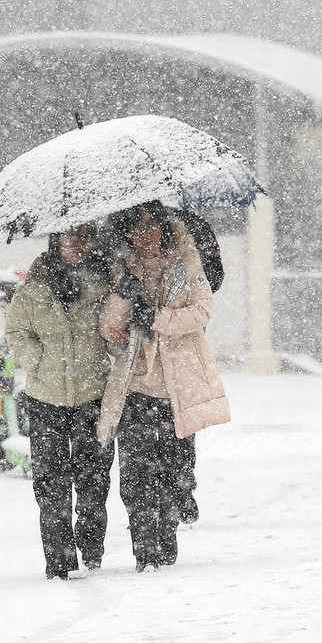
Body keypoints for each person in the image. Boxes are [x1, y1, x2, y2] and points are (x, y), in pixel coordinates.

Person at [98, 202, 229, 571]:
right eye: (137, 230)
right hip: (137, 385)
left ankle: (167, 532)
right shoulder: (123, 271)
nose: (145, 237)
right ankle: (145, 549)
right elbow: (109, 328)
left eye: (151, 228)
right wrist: (123, 298)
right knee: (136, 474)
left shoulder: (186, 265)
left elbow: (202, 311)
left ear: (164, 229)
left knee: (175, 468)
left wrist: (157, 318)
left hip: (178, 384)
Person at [4, 221, 116, 579]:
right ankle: (59, 560)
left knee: (93, 479)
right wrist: (38, 362)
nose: (78, 244)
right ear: (56, 239)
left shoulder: (105, 284)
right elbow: (17, 333)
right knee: (51, 483)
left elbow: (116, 334)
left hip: (93, 396)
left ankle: (92, 546)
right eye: (70, 236)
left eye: (85, 236)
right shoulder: (33, 288)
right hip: (45, 397)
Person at [169, 208, 225, 523]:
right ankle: (158, 496)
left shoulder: (191, 225)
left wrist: (187, 282)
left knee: (183, 416)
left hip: (182, 341)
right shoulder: (125, 228)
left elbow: (213, 276)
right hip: (144, 347)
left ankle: (181, 490)